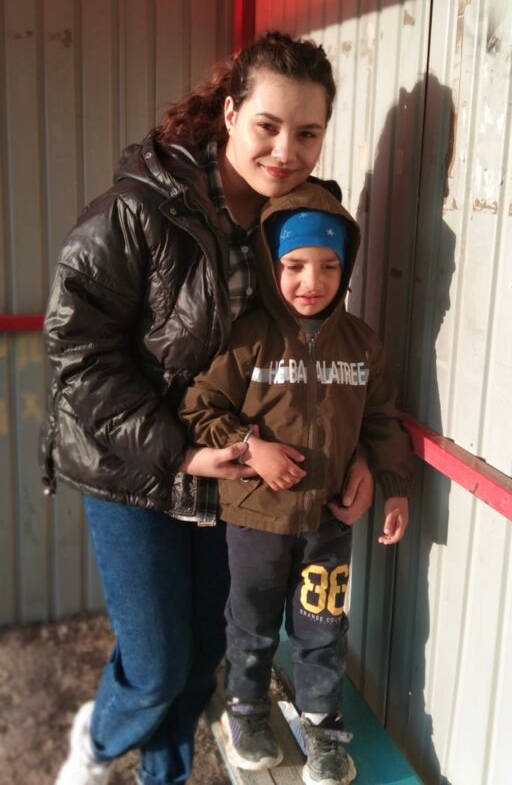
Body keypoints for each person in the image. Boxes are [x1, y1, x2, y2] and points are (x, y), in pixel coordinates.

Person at [42, 31, 375, 785]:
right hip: (132, 466)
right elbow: (77, 350)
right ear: (229, 114)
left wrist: (357, 451)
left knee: (201, 657)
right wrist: (182, 451)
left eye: (308, 132)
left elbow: (319, 354)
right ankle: (97, 742)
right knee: (156, 666)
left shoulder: (297, 223)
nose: (285, 150)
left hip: (230, 468)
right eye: (267, 125)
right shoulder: (140, 208)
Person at [180, 181, 415, 785]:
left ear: (346, 268)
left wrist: (392, 483)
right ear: (271, 266)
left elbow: (381, 417)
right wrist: (251, 448)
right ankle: (247, 710)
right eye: (295, 266)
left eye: (329, 266)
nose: (312, 281)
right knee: (252, 621)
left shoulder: (361, 344)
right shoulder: (249, 338)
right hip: (256, 519)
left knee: (322, 624)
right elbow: (200, 407)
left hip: (330, 521)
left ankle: (324, 727)